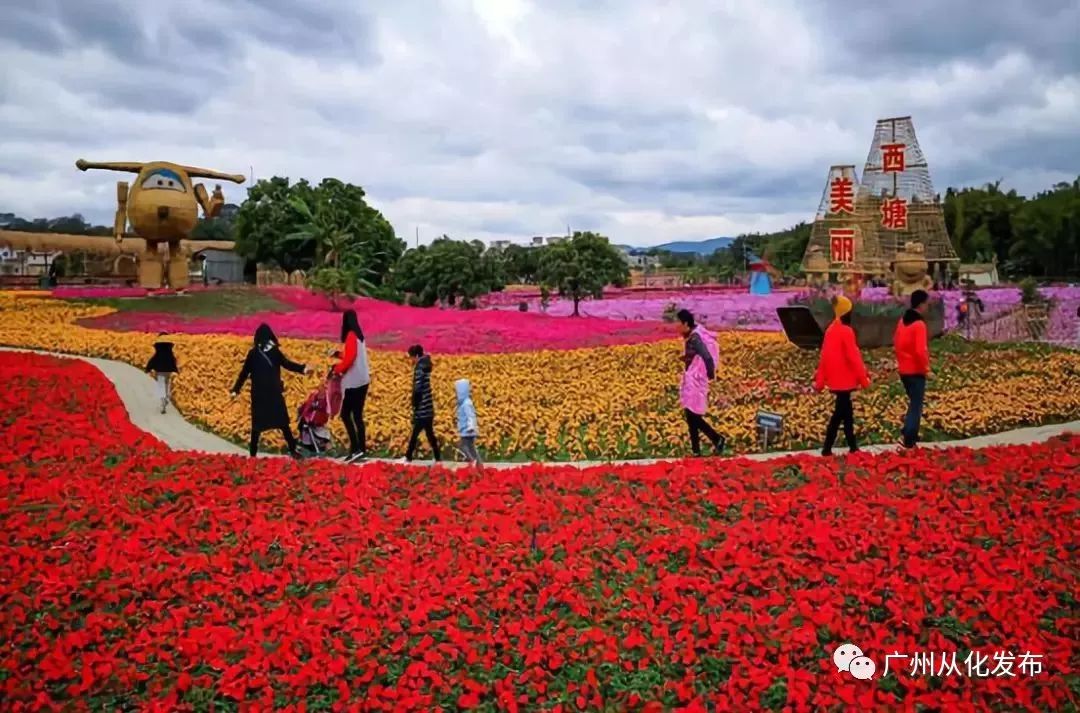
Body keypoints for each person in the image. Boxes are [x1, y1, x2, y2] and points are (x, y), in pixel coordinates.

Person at [230, 323, 308, 458]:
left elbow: (244, 373)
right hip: (274, 394)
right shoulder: (275, 352)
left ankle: (252, 455)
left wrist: (235, 390)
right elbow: (287, 364)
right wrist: (303, 368)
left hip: (259, 395)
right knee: (283, 424)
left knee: (257, 427)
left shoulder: (253, 353)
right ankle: (293, 450)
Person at [813, 295, 870, 456]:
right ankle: (832, 448)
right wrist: (864, 380)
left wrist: (820, 382)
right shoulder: (846, 331)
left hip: (835, 381)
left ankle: (850, 446)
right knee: (841, 415)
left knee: (845, 414)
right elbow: (854, 357)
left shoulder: (830, 330)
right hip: (845, 381)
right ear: (847, 313)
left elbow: (824, 357)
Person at [677, 309, 726, 456]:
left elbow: (706, 356)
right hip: (692, 378)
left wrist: (710, 374)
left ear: (685, 323)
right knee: (690, 415)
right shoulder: (692, 336)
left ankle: (717, 439)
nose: (677, 327)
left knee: (692, 416)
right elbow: (696, 356)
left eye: (679, 323)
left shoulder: (695, 338)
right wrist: (686, 359)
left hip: (695, 381)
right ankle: (697, 450)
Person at [894, 289, 931, 448]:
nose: (928, 306)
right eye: (927, 303)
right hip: (916, 370)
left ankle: (908, 432)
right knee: (916, 404)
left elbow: (896, 342)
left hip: (904, 370)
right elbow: (920, 350)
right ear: (921, 304)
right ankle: (909, 437)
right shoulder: (919, 325)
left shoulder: (902, 321)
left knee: (913, 402)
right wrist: (926, 369)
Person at [333, 309, 371, 462]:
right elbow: (351, 355)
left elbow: (350, 359)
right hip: (363, 380)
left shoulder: (350, 335)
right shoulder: (360, 336)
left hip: (354, 383)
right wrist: (338, 355)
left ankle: (355, 448)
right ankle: (361, 449)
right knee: (357, 416)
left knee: (345, 414)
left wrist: (336, 370)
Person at [405, 344, 440, 462]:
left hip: (422, 407)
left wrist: (414, 403)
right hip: (428, 406)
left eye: (411, 357)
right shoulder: (425, 365)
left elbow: (418, 389)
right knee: (430, 434)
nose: (411, 360)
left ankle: (408, 457)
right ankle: (438, 457)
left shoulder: (419, 368)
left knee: (415, 434)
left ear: (416, 356)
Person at [145, 334, 179, 415]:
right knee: (166, 384)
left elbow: (152, 361)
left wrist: (148, 369)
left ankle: (163, 401)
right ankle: (167, 397)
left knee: (161, 386)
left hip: (159, 371)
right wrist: (176, 370)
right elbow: (173, 362)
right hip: (168, 371)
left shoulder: (158, 354)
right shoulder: (170, 354)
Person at [455, 378, 482, 466]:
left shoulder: (466, 403)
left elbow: (471, 416)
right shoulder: (463, 403)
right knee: (469, 447)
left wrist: (471, 427)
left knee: (465, 446)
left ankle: (472, 460)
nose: (457, 394)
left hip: (468, 430)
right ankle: (477, 462)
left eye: (459, 391)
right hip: (464, 429)